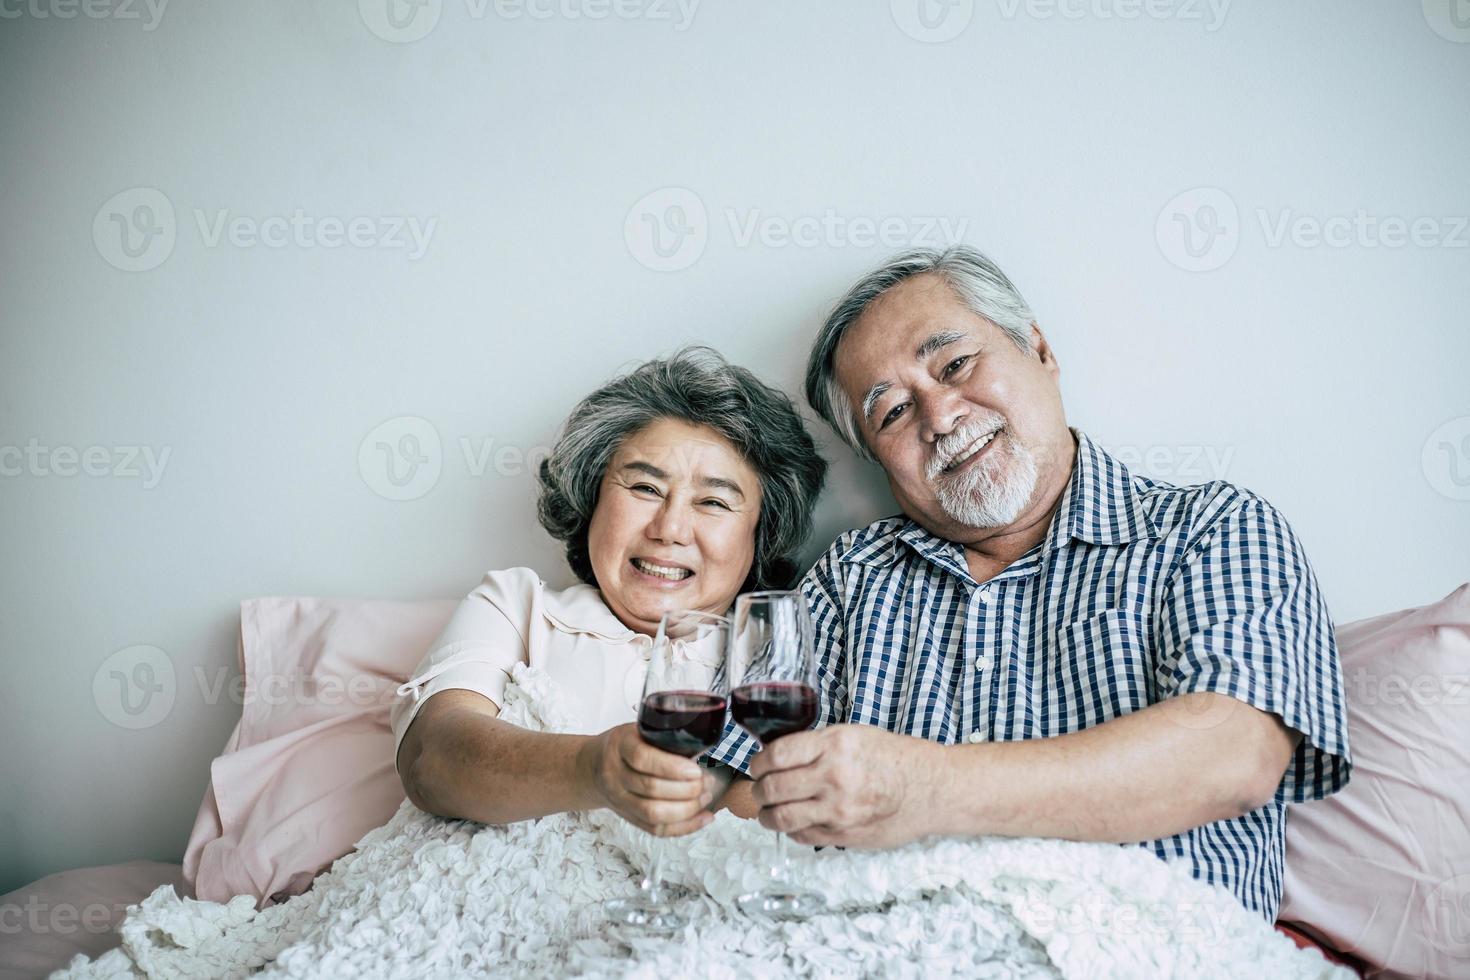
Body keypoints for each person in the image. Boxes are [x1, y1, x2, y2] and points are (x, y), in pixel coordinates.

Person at [710, 246, 1351, 920]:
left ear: (1039, 350)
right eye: (892, 412)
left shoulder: (1212, 529)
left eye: (955, 365)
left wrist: (923, 790)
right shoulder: (847, 580)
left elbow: (1233, 756)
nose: (941, 416)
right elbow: (736, 787)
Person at [393, 346, 826, 839]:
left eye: (713, 501)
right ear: (593, 495)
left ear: (759, 534)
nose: (671, 528)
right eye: (644, 488)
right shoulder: (515, 604)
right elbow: (432, 762)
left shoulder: (779, 663)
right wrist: (591, 768)